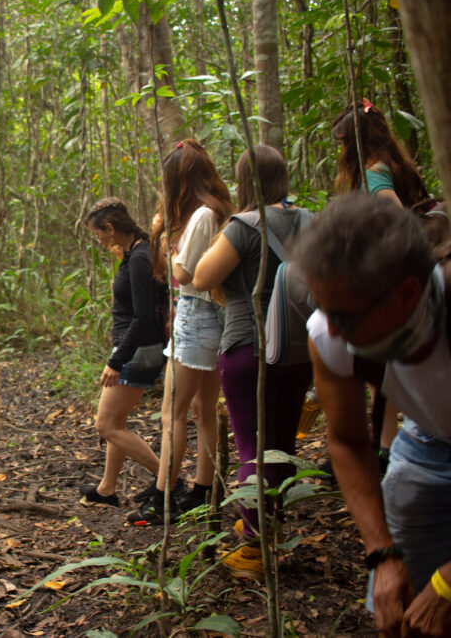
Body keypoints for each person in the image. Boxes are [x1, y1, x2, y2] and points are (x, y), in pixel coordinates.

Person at [293, 193, 451, 638]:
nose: (334, 330)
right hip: (429, 441)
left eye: (345, 314)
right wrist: (382, 554)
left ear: (407, 293)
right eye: (326, 310)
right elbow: (345, 440)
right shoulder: (329, 333)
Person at [191, 145, 313, 580]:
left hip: (248, 345)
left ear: (244, 181)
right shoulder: (309, 220)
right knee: (281, 443)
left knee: (252, 450)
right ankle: (270, 529)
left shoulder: (245, 225)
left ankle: (252, 549)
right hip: (300, 350)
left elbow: (202, 276)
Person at [129, 139, 234, 526]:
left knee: (172, 412)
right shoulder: (214, 212)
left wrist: (166, 240)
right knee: (202, 410)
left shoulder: (203, 217)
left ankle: (163, 497)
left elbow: (183, 274)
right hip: (208, 315)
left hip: (198, 314)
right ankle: (202, 492)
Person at [332, 98, 430, 471]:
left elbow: (397, 218)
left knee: (377, 367)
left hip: (386, 282)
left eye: (343, 143)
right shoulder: (392, 164)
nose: (340, 151)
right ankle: (384, 444)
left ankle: (386, 448)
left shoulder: (374, 173)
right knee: (382, 368)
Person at [77, 198, 167, 509]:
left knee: (107, 426)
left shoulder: (140, 257)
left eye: (97, 233)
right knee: (118, 421)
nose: (98, 239)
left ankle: (169, 481)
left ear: (111, 229)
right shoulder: (137, 253)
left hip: (138, 351)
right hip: (138, 348)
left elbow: (144, 317)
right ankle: (107, 489)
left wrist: (116, 361)